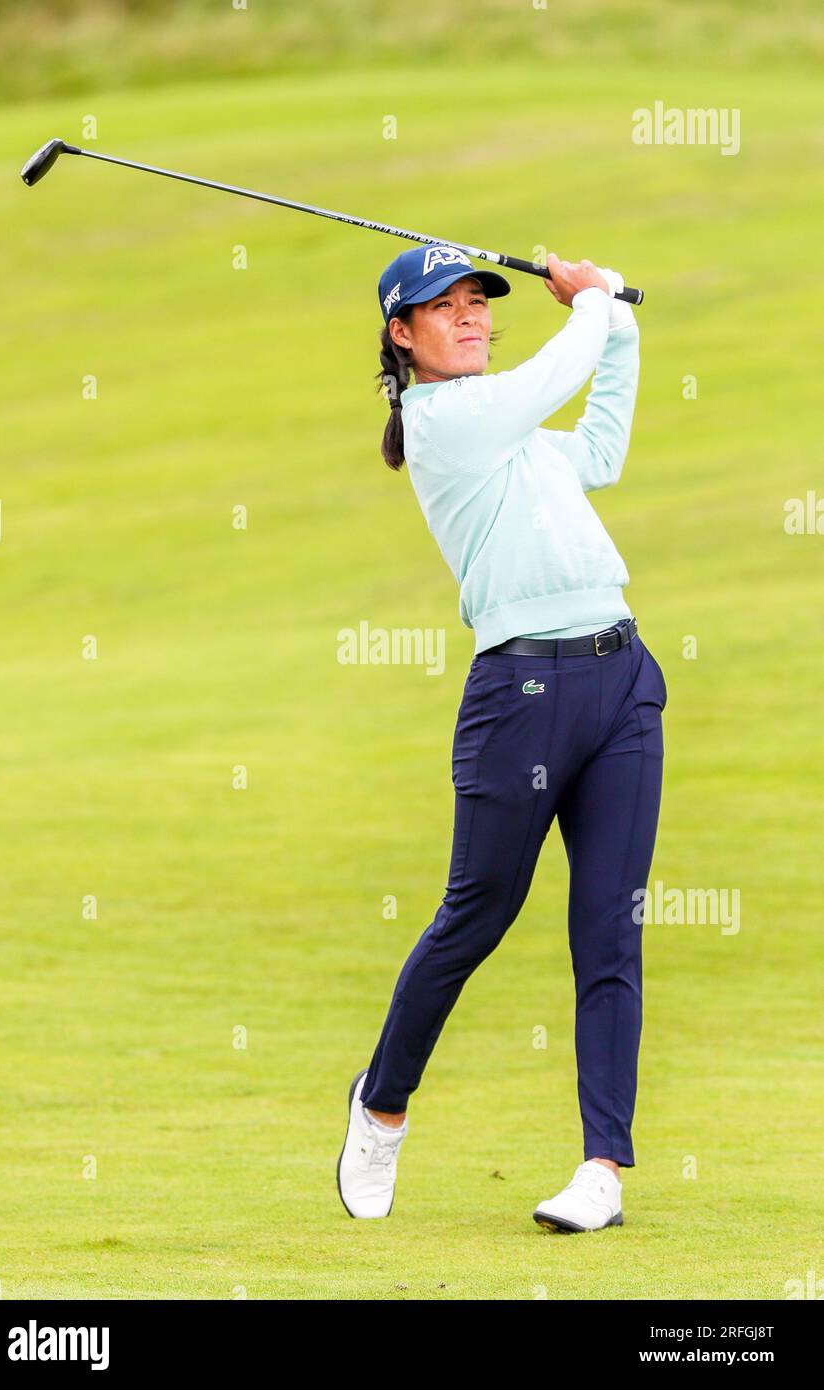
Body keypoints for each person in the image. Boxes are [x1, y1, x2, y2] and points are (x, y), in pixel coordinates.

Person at [336, 243, 667, 1232]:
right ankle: (381, 1103)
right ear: (403, 335)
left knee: (608, 928)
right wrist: (596, 302)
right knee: (476, 914)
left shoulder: (514, 434)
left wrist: (622, 327)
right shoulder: (446, 426)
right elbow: (547, 377)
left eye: (477, 301)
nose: (470, 316)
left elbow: (599, 447)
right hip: (519, 693)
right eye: (445, 308)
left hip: (619, 679)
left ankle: (601, 1168)